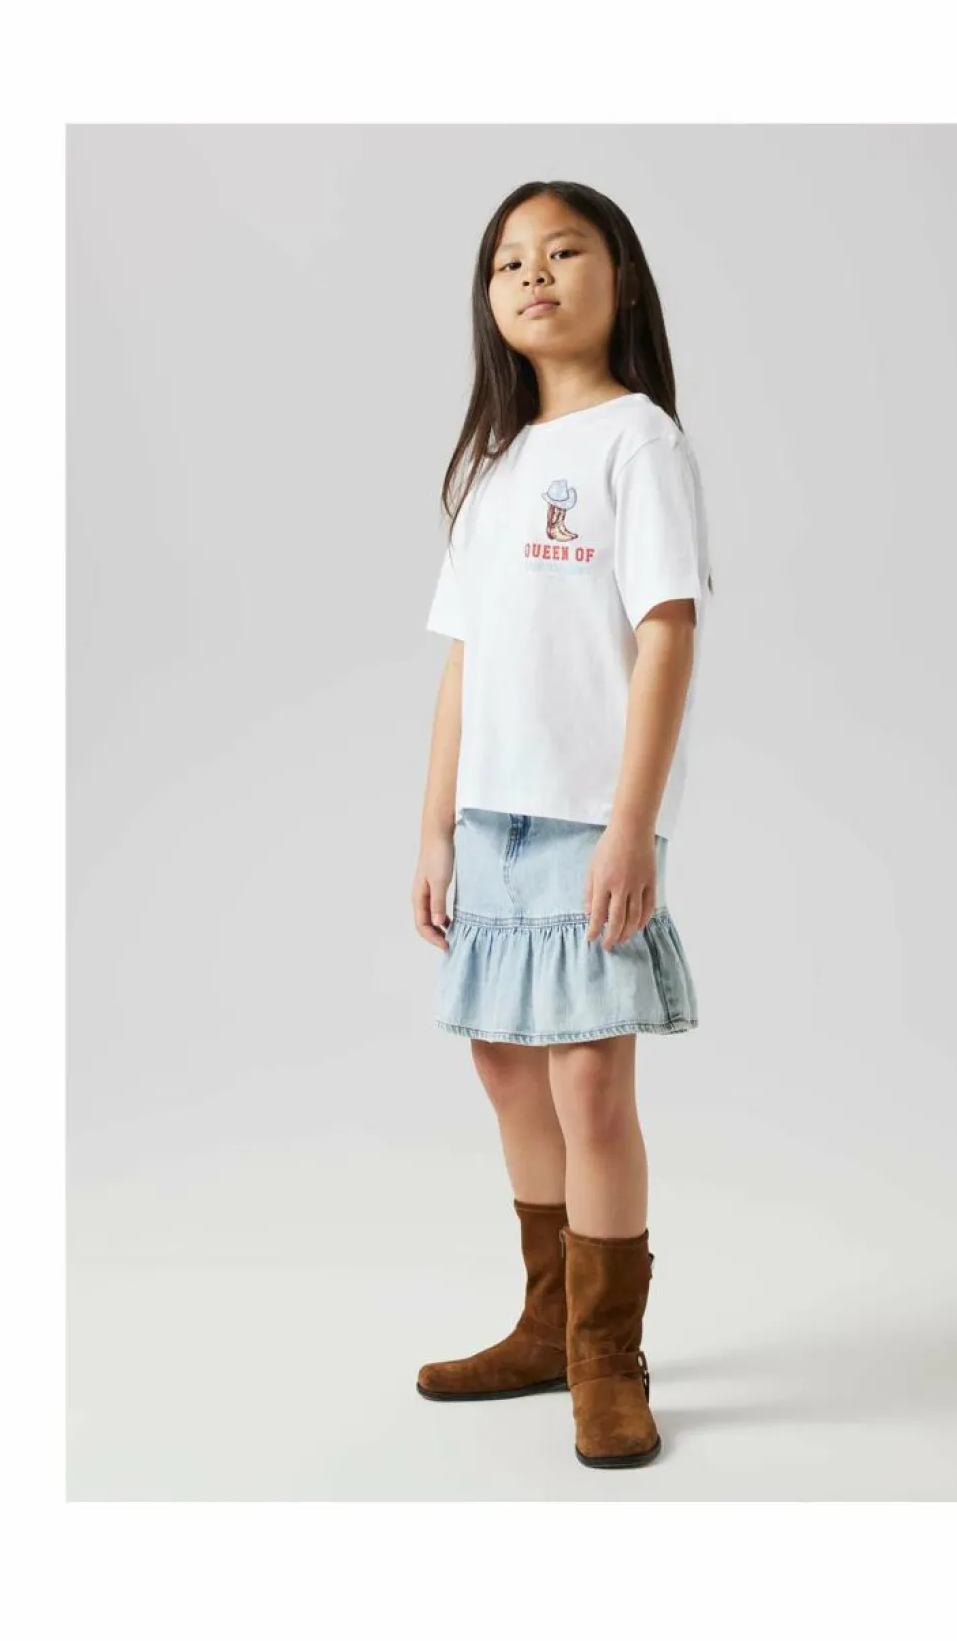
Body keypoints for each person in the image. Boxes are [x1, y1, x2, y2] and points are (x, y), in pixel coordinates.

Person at [411, 180, 714, 1470]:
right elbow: (463, 659)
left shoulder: (639, 442)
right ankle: (545, 1322)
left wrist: (632, 827)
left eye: (564, 251)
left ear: (620, 278)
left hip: (592, 817)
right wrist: (434, 827)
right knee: (503, 1064)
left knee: (591, 1078)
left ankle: (605, 1357)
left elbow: (667, 635)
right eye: (508, 262)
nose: (533, 275)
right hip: (492, 816)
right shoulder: (495, 467)